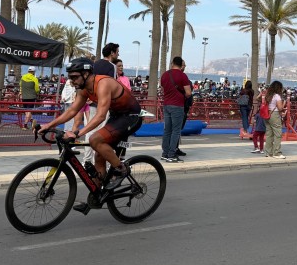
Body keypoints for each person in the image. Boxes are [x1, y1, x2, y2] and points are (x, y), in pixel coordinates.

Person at [39, 58, 142, 194]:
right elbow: (72, 111)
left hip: (131, 116)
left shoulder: (102, 84)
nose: (71, 81)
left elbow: (100, 116)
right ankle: (98, 193)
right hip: (117, 116)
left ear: (86, 74)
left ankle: (121, 169)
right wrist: (48, 125)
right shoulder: (83, 89)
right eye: (70, 77)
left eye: (74, 77)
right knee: (99, 154)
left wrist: (77, 133)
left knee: (95, 140)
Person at [159, 57, 192, 162]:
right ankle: (172, 155)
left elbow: (163, 88)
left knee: (167, 130)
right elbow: (188, 93)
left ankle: (165, 153)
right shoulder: (183, 76)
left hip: (166, 105)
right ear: (181, 65)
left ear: (172, 63)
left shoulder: (165, 75)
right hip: (177, 105)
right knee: (176, 131)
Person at [261, 80, 287, 159]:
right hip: (274, 115)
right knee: (277, 134)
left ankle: (268, 152)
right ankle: (277, 153)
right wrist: (284, 104)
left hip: (267, 115)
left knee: (269, 134)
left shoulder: (268, 95)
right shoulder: (277, 96)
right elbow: (280, 108)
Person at [238, 80, 255, 145]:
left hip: (243, 105)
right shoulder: (252, 91)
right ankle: (246, 128)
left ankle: (245, 129)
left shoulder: (244, 90)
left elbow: (240, 94)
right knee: (247, 117)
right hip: (249, 105)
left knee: (244, 117)